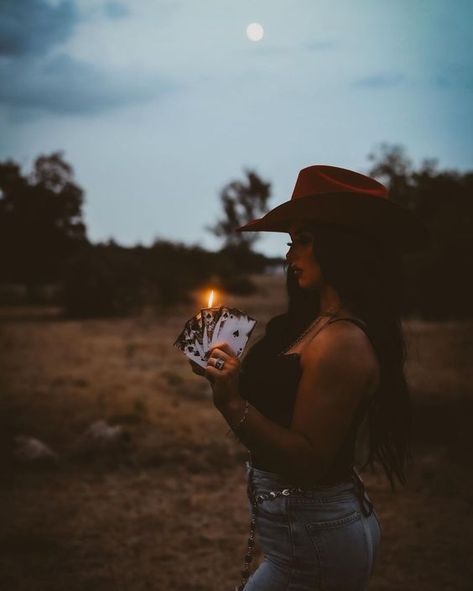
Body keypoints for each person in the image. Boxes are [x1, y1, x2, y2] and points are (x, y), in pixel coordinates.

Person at [190, 165, 428, 590]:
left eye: (303, 241)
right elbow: (286, 402)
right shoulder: (315, 321)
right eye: (289, 241)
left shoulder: (343, 341)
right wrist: (230, 375)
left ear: (341, 247)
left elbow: (306, 461)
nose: (289, 255)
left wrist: (231, 404)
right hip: (306, 537)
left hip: (316, 545)